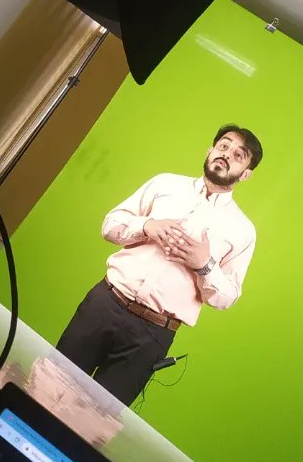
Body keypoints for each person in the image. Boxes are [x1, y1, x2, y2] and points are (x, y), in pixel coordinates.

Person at [56, 124, 262, 405]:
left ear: (246, 173)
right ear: (210, 150)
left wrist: (204, 265)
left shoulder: (243, 230)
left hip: (152, 334)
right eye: (223, 146)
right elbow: (110, 225)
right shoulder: (165, 184)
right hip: (104, 304)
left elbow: (227, 297)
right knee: (45, 384)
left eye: (239, 155)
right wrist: (147, 226)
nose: (226, 154)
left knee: (94, 416)